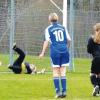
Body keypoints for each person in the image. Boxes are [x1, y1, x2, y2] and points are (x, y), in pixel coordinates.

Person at [39, 13, 71, 98]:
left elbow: (46, 41)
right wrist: (67, 48)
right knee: (63, 71)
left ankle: (58, 92)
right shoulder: (63, 27)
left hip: (55, 52)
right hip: (65, 51)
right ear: (57, 19)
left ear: (49, 20)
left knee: (56, 71)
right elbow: (69, 40)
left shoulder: (48, 29)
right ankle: (64, 91)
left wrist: (42, 52)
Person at [87, 23, 100, 96]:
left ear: (95, 30)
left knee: (92, 74)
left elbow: (89, 50)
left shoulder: (91, 39)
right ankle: (97, 92)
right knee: (99, 75)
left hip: (96, 59)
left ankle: (96, 86)